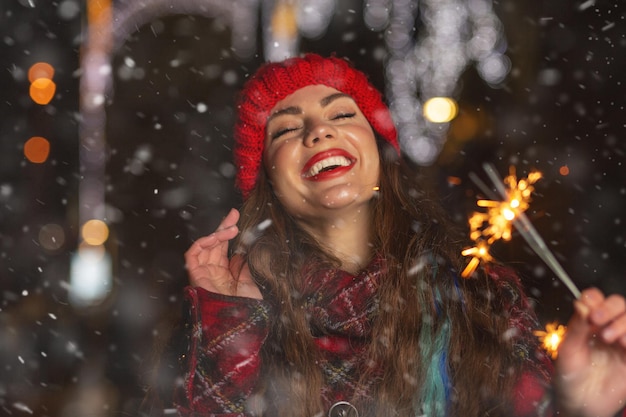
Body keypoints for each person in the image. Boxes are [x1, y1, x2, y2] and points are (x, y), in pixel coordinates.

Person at [175, 53, 626, 417]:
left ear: (377, 149)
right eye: (288, 128)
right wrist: (229, 327)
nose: (319, 130)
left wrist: (580, 408)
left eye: (342, 114)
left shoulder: (482, 297)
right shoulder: (244, 311)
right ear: (268, 180)